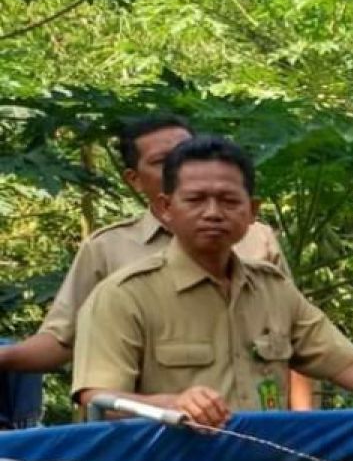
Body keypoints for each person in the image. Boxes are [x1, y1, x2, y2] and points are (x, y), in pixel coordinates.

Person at [72, 135, 353, 427]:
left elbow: (349, 364)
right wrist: (170, 405)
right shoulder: (124, 296)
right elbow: (96, 399)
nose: (212, 212)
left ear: (252, 210)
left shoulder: (272, 289)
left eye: (228, 200)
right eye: (196, 200)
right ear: (166, 208)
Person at [0, 114, 314, 409]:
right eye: (163, 162)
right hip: (149, 444)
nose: (180, 166)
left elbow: (292, 338)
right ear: (134, 179)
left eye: (186, 153)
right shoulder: (107, 249)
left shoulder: (255, 238)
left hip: (258, 439)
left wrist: (304, 425)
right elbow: (61, 341)